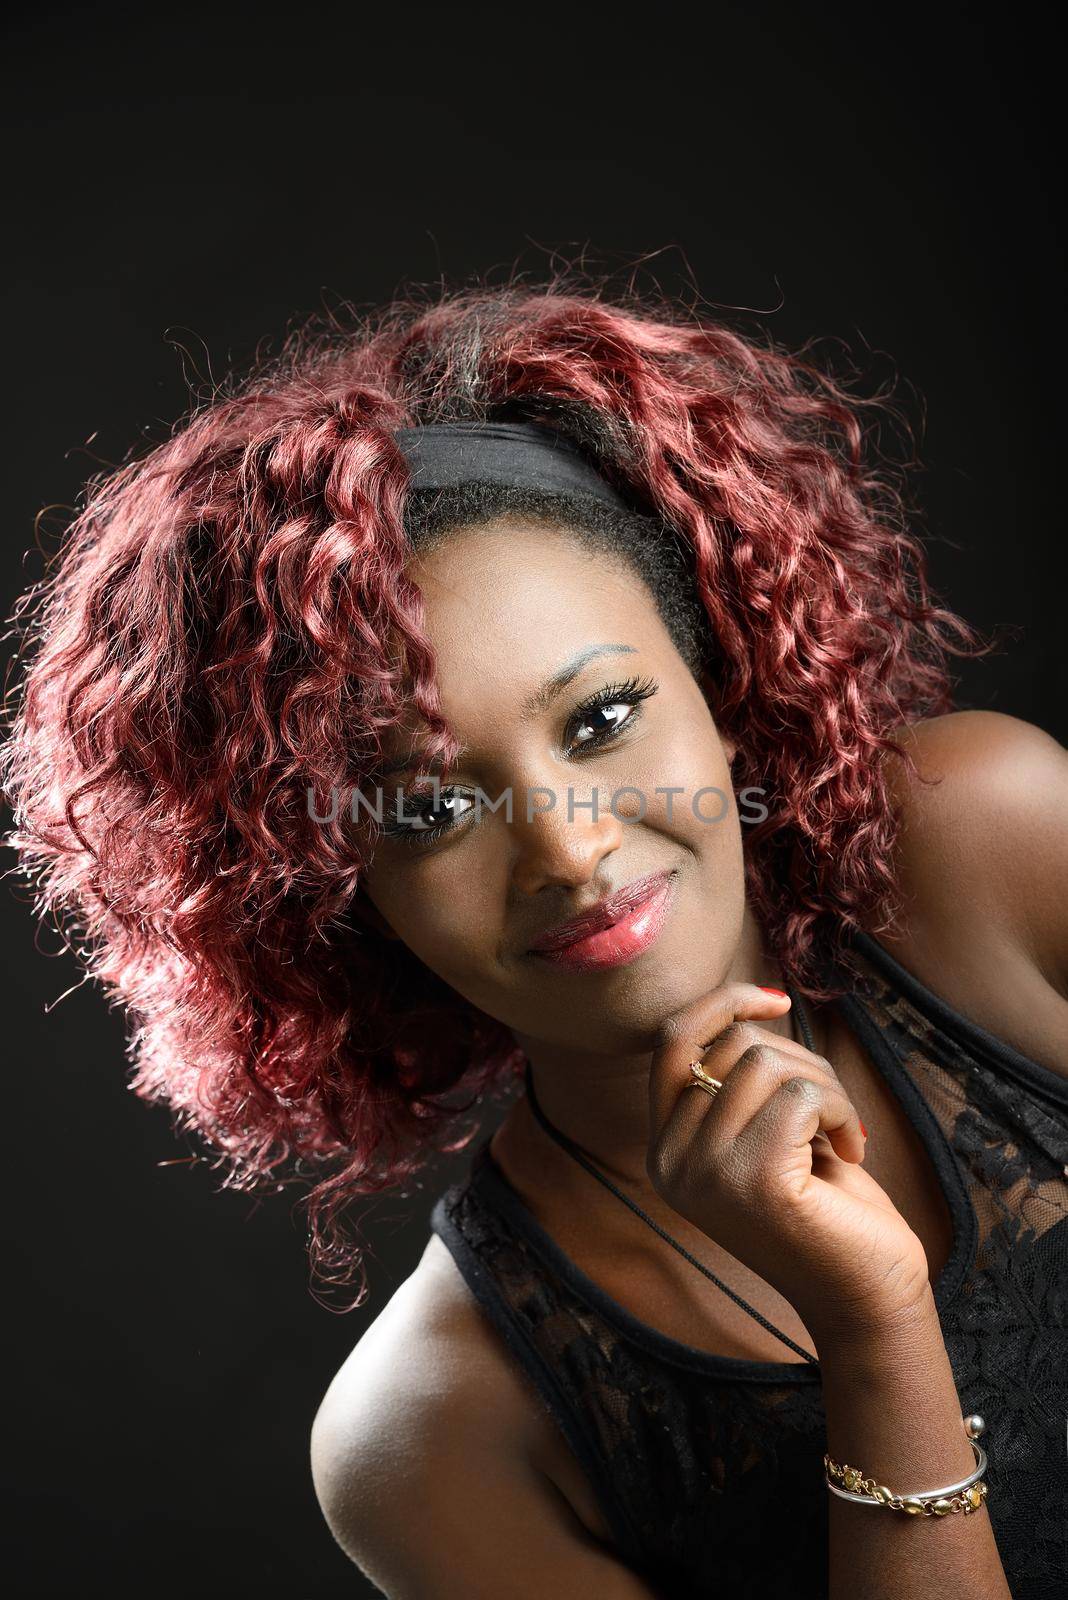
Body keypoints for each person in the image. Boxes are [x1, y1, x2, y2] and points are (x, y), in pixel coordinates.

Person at [3, 280, 1065, 1599]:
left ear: (724, 685)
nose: (566, 850)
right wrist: (873, 1330)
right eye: (433, 805)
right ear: (333, 888)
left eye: (604, 718)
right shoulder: (430, 1440)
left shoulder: (996, 846)